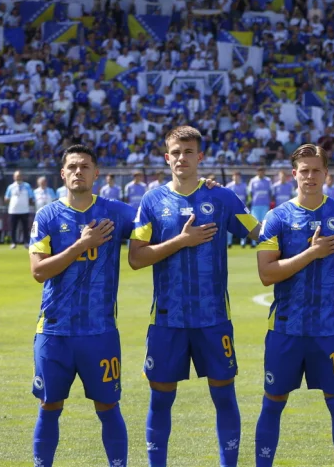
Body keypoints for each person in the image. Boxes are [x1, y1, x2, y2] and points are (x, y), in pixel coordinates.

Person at [127, 126, 262, 467]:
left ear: (200, 157)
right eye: (176, 152)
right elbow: (136, 258)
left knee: (224, 396)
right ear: (166, 157)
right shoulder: (152, 201)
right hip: (167, 319)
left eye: (189, 152)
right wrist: (181, 241)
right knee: (160, 399)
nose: (182, 158)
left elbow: (260, 233)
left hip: (213, 318)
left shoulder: (223, 198)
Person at [28, 144, 137, 467]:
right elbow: (38, 271)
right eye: (73, 167)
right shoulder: (47, 216)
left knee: (108, 406)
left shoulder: (116, 212)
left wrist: (199, 186)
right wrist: (82, 245)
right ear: (63, 174)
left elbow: (158, 218)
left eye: (85, 166)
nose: (79, 172)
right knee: (50, 406)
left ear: (96, 173)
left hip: (99, 332)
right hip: (54, 331)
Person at [253, 144, 334, 467]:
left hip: (331, 329)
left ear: (326, 174)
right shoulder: (277, 217)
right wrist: (312, 253)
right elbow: (266, 274)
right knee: (273, 402)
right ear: (293, 174)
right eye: (304, 171)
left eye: (316, 170)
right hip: (286, 328)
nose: (310, 176)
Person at [6, 170, 35, 248]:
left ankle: (26, 242)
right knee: (13, 228)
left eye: (19, 176)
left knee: (25, 228)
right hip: (13, 211)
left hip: (24, 210)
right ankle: (13, 242)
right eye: (16, 176)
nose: (18, 177)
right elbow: (6, 198)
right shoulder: (11, 187)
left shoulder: (27, 186)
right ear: (14, 177)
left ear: (22, 177)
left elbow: (31, 197)